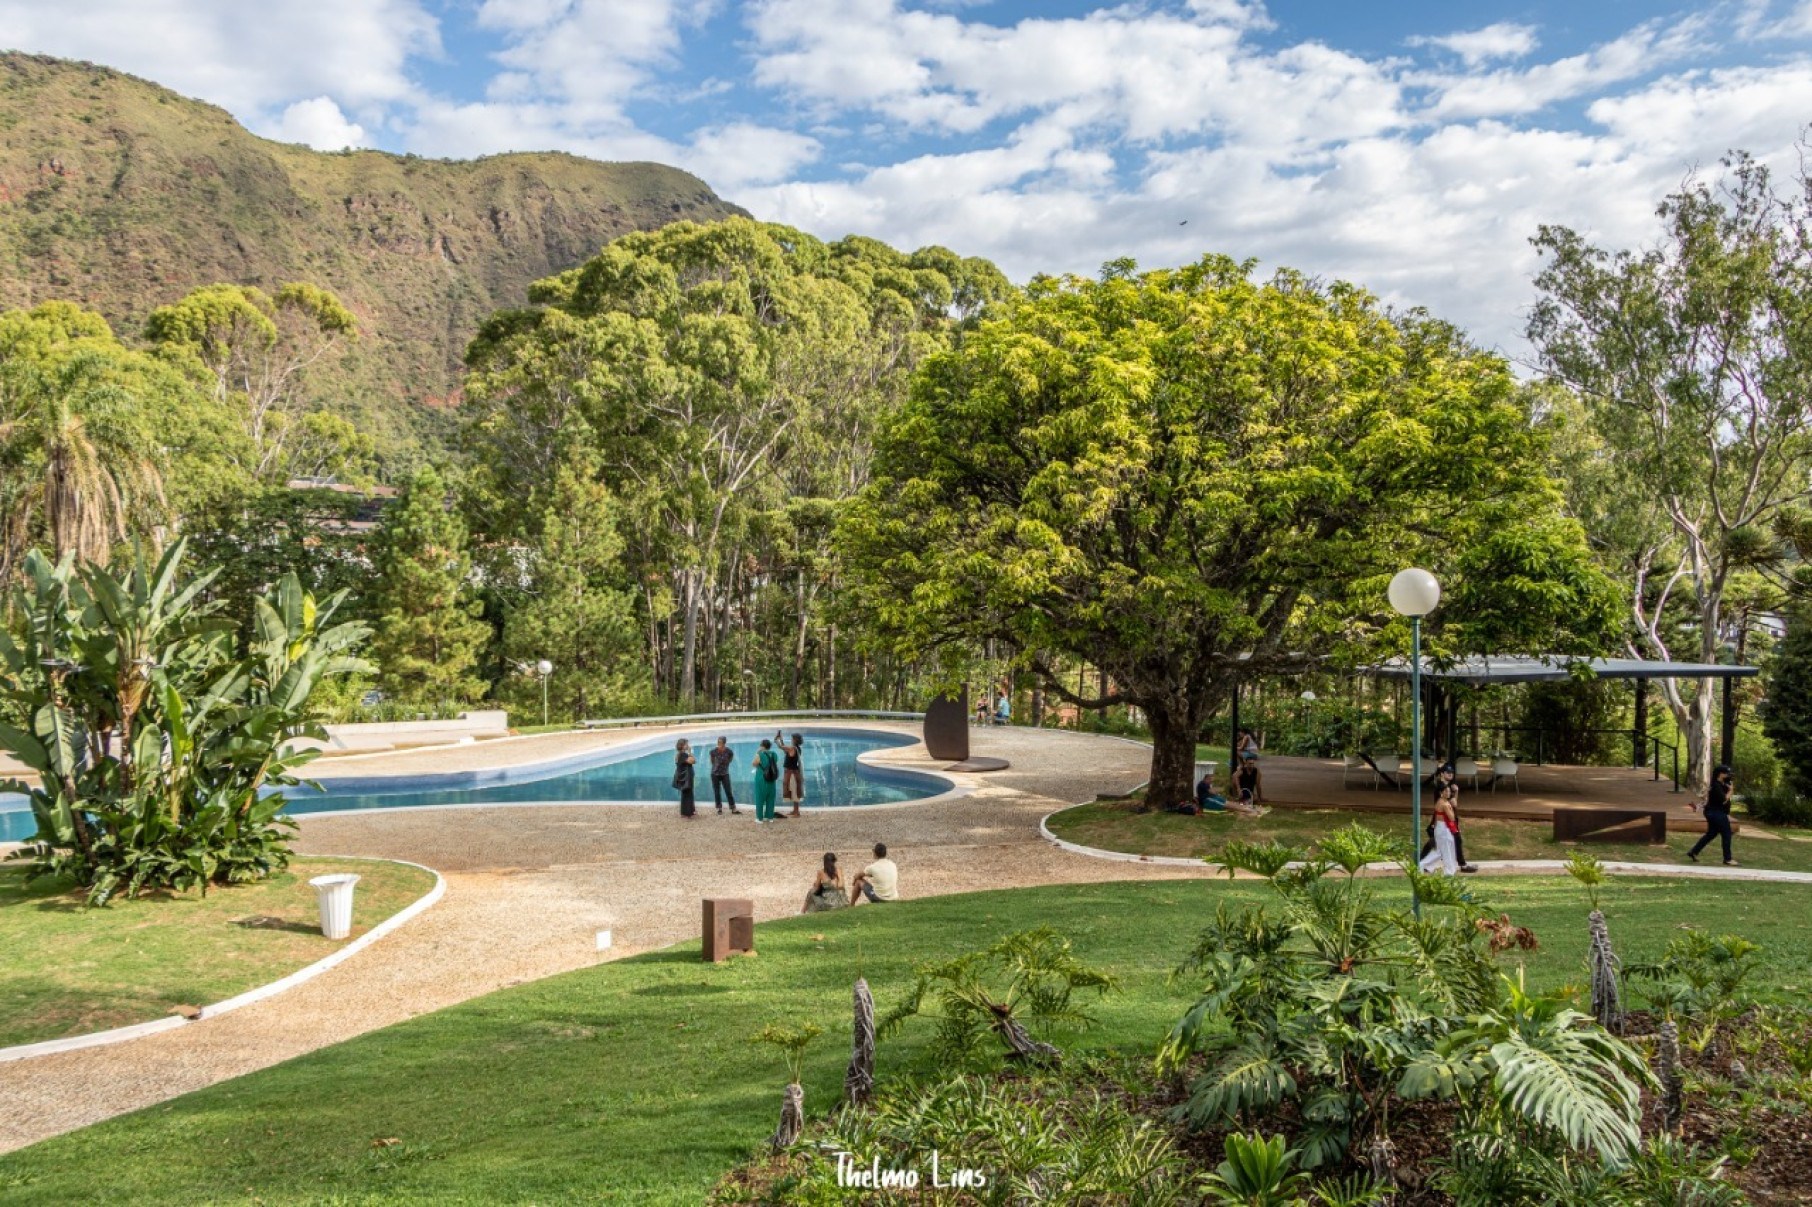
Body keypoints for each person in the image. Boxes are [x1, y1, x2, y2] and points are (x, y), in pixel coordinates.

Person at [1420, 766, 1479, 873]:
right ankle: (1460, 866)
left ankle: (1424, 863)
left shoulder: (1445, 786)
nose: (1450, 774)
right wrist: (1456, 792)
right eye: (1448, 772)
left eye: (1452, 772)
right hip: (1445, 821)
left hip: (1442, 821)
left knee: (1437, 845)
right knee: (1447, 844)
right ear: (1442, 774)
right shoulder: (1443, 787)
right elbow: (1454, 804)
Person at [1687, 764, 1738, 865]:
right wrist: (1731, 791)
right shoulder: (1716, 785)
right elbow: (1723, 800)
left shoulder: (1720, 784)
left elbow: (1709, 799)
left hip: (1713, 812)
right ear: (1720, 774)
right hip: (1716, 813)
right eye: (1726, 773)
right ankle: (1728, 859)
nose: (1729, 775)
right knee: (1726, 833)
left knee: (1711, 834)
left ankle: (1693, 852)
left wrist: (1698, 807)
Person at [1420, 788, 1460, 875]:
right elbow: (1452, 817)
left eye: (1449, 791)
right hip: (1444, 829)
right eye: (1446, 791)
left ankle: (1426, 865)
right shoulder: (1445, 804)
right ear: (1441, 793)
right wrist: (1451, 807)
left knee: (1440, 851)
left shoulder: (1439, 801)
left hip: (1440, 828)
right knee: (1446, 850)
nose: (1448, 793)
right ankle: (1449, 871)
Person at [708, 736, 740, 815]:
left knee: (728, 791)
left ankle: (733, 808)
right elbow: (712, 761)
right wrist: (716, 766)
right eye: (718, 742)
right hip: (715, 774)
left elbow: (731, 758)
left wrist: (727, 763)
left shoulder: (729, 751)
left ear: (724, 743)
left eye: (721, 742)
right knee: (717, 791)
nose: (720, 744)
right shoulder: (713, 751)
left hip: (725, 773)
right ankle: (719, 808)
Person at [751, 738, 780, 823]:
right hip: (771, 778)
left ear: (762, 746)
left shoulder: (760, 754)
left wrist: (758, 752)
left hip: (761, 778)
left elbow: (754, 763)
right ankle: (769, 817)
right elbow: (774, 763)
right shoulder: (774, 754)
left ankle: (759, 818)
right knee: (770, 797)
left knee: (760, 797)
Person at [777, 731, 805, 817]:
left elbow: (781, 747)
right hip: (793, 772)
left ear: (795, 740)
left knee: (794, 792)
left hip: (792, 773)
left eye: (792, 738)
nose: (791, 739)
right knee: (794, 791)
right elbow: (785, 750)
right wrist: (781, 739)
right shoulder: (796, 748)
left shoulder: (793, 748)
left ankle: (796, 812)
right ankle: (795, 810)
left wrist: (777, 740)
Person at [673, 739, 697, 819]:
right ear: (682, 746)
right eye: (687, 744)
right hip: (685, 778)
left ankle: (688, 811)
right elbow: (693, 761)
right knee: (687, 794)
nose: (688, 746)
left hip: (684, 777)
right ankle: (687, 813)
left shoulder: (680, 754)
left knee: (686, 794)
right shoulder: (683, 755)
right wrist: (690, 752)